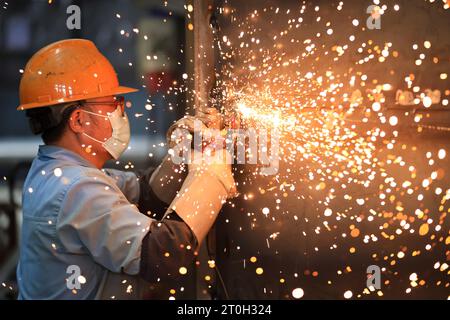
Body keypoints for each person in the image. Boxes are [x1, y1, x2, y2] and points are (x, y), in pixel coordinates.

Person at [15, 39, 236, 299]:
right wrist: (210, 175)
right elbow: (165, 254)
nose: (124, 109)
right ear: (79, 120)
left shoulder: (60, 172)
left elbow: (145, 198)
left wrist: (182, 156)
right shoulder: (76, 188)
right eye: (112, 103)